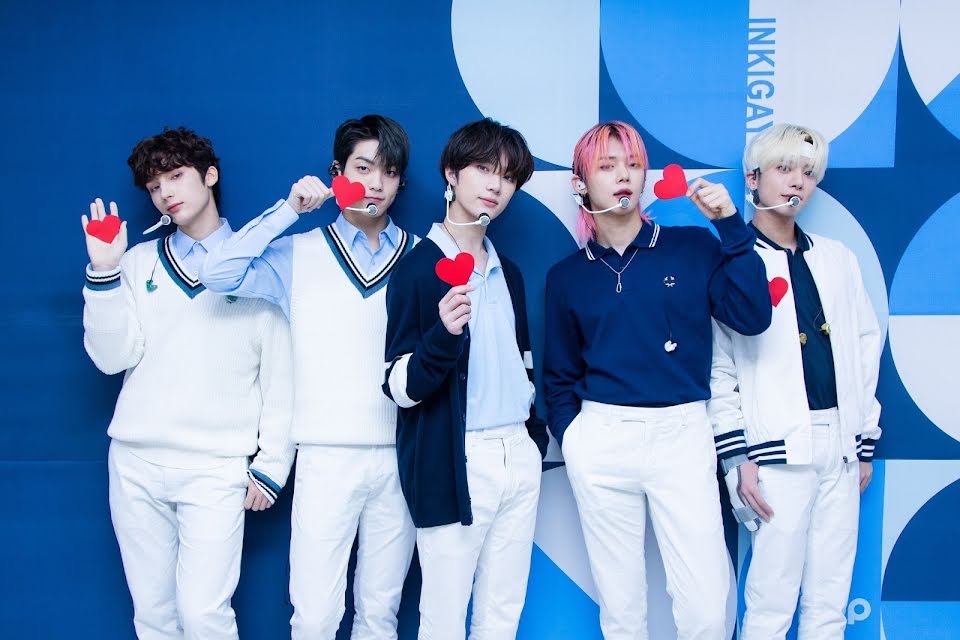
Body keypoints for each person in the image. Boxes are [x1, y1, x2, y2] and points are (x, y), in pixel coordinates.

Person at [543, 120, 772, 639]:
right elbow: (558, 376)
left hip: (682, 434)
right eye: (607, 166)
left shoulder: (693, 247)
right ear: (581, 184)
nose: (623, 175)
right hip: (601, 437)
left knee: (707, 606)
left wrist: (731, 226)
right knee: (620, 609)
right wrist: (574, 438)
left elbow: (753, 316)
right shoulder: (567, 276)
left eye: (633, 164)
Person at [200, 115, 417, 639]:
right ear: (337, 172)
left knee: (379, 615)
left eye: (389, 172)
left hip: (401, 454)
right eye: (363, 168)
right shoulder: (299, 253)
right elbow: (217, 274)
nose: (376, 183)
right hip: (325, 456)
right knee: (315, 616)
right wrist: (288, 211)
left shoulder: (421, 255)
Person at [81, 127, 294, 639]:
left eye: (176, 176)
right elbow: (111, 359)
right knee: (154, 616)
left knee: (203, 615)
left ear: (210, 175)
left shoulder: (258, 266)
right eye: (155, 186)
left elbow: (281, 377)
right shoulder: (137, 262)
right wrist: (104, 273)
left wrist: (271, 465)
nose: (166, 193)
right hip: (135, 463)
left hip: (215, 468)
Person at [708, 122, 882, 639]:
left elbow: (864, 349)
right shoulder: (734, 263)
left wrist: (862, 441)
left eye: (808, 173)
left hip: (840, 446)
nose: (797, 182)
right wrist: (737, 456)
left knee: (830, 599)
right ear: (753, 178)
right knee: (771, 600)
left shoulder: (837, 258)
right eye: (784, 169)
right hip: (775, 449)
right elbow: (719, 368)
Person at [382, 118, 548, 640]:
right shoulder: (417, 269)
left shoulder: (508, 271)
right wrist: (443, 336)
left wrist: (532, 439)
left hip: (517, 453)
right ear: (451, 174)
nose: (496, 185)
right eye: (483, 169)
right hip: (456, 457)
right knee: (445, 614)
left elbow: (522, 362)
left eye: (509, 176)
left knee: (503, 610)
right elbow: (398, 386)